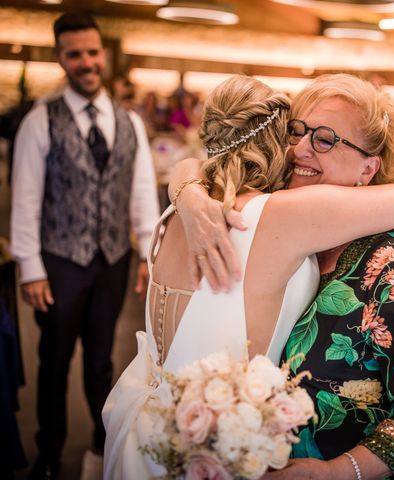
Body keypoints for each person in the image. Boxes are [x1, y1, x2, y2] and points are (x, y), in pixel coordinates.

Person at [102, 74, 394, 479]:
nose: (300, 148)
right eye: (296, 131)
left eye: (325, 138)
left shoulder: (391, 268)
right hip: (215, 452)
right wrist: (191, 191)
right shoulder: (266, 216)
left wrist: (335, 473)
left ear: (369, 167)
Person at [9, 13, 160, 480]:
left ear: (104, 55)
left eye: (92, 52)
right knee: (54, 361)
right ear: (62, 59)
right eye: (75, 54)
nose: (87, 62)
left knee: (101, 360)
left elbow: (140, 190)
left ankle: (103, 442)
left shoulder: (129, 121)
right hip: (59, 263)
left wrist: (144, 254)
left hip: (112, 260)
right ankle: (50, 455)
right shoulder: (40, 120)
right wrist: (30, 267)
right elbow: (26, 196)